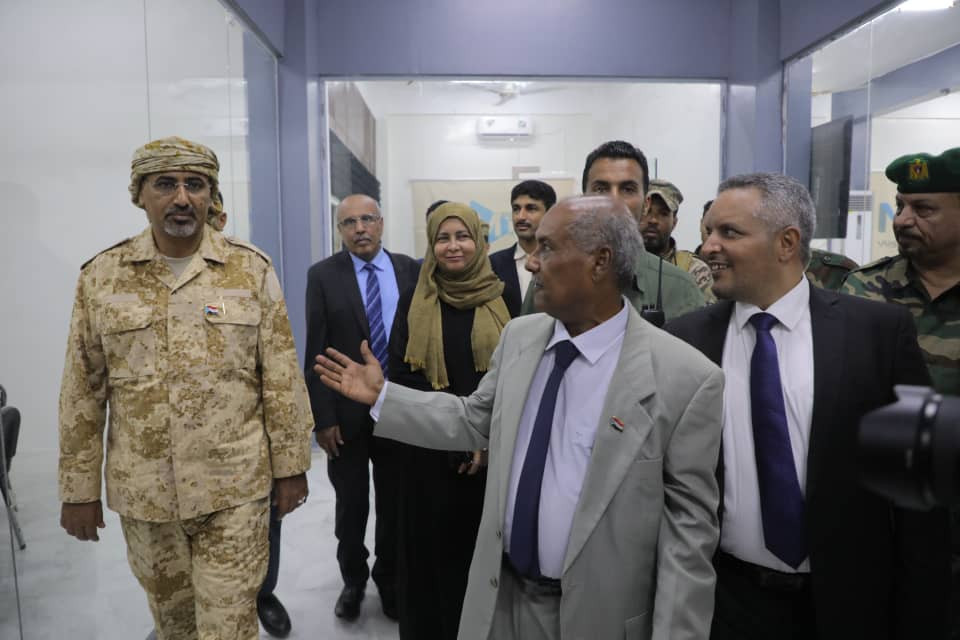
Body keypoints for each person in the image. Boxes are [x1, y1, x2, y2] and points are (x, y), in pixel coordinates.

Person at [316, 195, 724, 640]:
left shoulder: (684, 377)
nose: (530, 262)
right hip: (502, 604)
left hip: (597, 619)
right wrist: (382, 397)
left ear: (600, 261)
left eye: (547, 248)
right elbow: (473, 419)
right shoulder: (521, 336)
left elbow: (688, 544)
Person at [665, 172, 950, 640]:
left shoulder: (878, 333)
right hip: (727, 605)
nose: (709, 247)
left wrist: (920, 618)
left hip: (850, 604)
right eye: (708, 232)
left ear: (787, 242)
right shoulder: (686, 340)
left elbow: (920, 497)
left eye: (729, 232)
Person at [58, 136, 313, 640]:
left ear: (210, 194)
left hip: (234, 489)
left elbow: (281, 378)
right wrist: (77, 490)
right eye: (165, 184)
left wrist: (291, 468)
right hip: (147, 495)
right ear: (140, 194)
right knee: (174, 627)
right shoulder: (102, 277)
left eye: (194, 185)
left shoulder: (250, 269)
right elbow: (82, 390)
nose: (181, 198)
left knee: (229, 627)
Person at [841, 146, 960, 636]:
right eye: (901, 205)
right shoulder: (861, 291)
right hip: (883, 519)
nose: (904, 219)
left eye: (924, 209)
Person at [389, 202, 511, 639]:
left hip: (488, 455)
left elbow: (514, 374)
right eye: (443, 238)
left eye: (462, 237)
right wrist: (450, 431)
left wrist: (480, 436)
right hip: (427, 454)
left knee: (478, 560)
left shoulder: (503, 296)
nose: (453, 246)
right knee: (429, 563)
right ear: (431, 244)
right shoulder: (415, 298)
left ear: (478, 242)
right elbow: (401, 373)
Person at [303, 194, 420, 621]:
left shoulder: (411, 270)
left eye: (367, 219)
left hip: (398, 409)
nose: (360, 229)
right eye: (349, 222)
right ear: (340, 230)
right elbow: (315, 351)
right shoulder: (323, 275)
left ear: (381, 223)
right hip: (346, 415)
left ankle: (390, 580)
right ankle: (353, 580)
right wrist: (323, 419)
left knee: (395, 504)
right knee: (351, 506)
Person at [521, 141, 705, 324]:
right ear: (583, 199)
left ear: (646, 204)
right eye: (601, 189)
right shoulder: (548, 280)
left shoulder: (679, 288)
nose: (613, 200)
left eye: (628, 189)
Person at [489, 180, 557, 316]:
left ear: (549, 213)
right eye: (516, 209)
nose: (520, 217)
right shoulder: (492, 264)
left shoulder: (563, 262)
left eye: (531, 208)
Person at [643, 178, 716, 302]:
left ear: (674, 222)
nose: (653, 220)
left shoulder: (694, 270)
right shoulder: (617, 266)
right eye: (647, 211)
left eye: (663, 213)